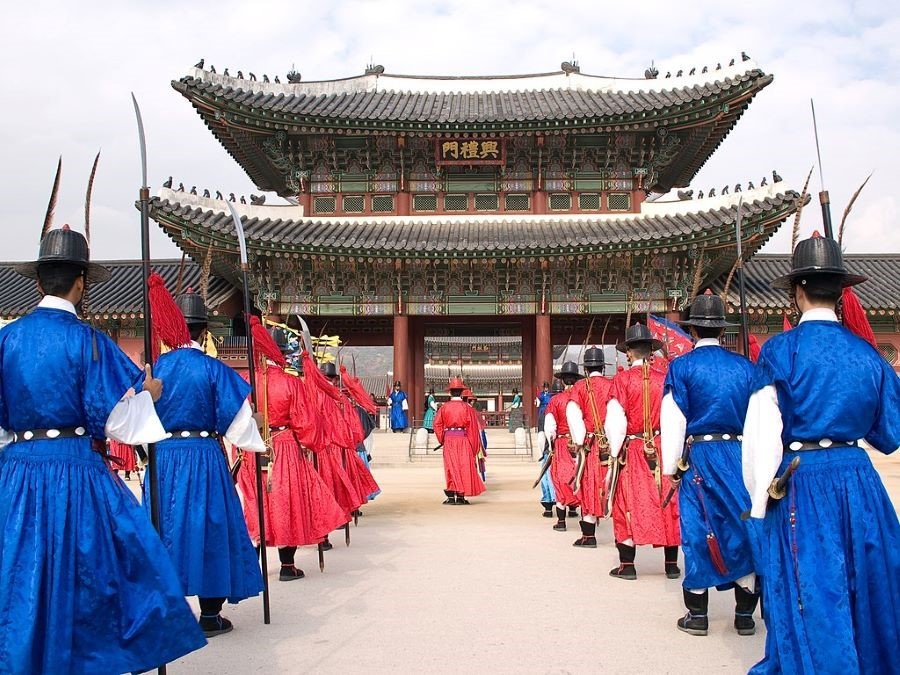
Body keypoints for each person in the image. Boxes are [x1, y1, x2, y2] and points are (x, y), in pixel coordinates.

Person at [0, 223, 205, 672]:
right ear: (81, 283)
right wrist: (148, 393)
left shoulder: (6, 339)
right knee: (104, 568)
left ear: (37, 282)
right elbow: (117, 423)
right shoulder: (89, 341)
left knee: (17, 571)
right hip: (74, 471)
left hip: (14, 472)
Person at [742, 233, 900, 673]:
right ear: (841, 291)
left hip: (802, 479)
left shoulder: (780, 350)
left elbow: (762, 437)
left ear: (796, 291)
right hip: (860, 480)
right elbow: (889, 434)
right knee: (867, 583)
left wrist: (758, 504)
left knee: (814, 587)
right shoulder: (868, 356)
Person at [146, 278, 265, 637]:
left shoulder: (155, 368)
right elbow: (239, 425)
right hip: (203, 456)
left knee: (162, 525)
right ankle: (210, 615)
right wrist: (258, 440)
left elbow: (134, 420)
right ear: (203, 330)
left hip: (163, 456)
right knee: (211, 525)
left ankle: (163, 611)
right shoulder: (214, 369)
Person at [660, 291, 759, 636]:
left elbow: (672, 421)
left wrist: (671, 468)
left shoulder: (681, 367)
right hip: (740, 453)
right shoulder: (746, 368)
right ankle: (745, 615)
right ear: (721, 329)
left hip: (699, 457)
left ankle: (698, 615)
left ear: (693, 330)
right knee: (741, 526)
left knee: (699, 529)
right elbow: (760, 420)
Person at [236, 319, 347, 580]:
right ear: (283, 354)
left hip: (252, 446)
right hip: (284, 446)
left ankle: (252, 566)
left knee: (256, 503)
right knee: (285, 501)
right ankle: (287, 566)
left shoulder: (245, 381)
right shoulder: (290, 383)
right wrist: (315, 442)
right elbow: (305, 423)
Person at [604, 323, 681, 580]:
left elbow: (616, 420)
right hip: (662, 446)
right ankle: (671, 564)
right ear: (650, 351)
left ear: (628, 352)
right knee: (667, 500)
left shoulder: (622, 380)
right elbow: (673, 418)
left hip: (635, 448)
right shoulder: (664, 379)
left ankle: (628, 565)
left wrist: (615, 451)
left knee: (627, 501)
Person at [566, 347, 613, 547]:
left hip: (591, 443)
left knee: (589, 483)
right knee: (611, 482)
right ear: (603, 366)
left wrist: (579, 441)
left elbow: (574, 416)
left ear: (585, 369)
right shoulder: (612, 385)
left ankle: (589, 535)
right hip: (611, 443)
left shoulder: (579, 387)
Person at [433, 377, 486, 504]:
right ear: (461, 392)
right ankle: (461, 497)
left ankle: (451, 496)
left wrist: (442, 439)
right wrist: (473, 446)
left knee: (450, 467)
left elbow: (437, 424)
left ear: (450, 392)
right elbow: (472, 427)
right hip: (463, 440)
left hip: (449, 439)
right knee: (463, 466)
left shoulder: (444, 407)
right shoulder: (467, 408)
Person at [544, 363, 583, 531]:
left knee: (560, 478)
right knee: (581, 476)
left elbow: (549, 426)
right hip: (581, 442)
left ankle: (561, 521)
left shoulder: (555, 400)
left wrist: (551, 441)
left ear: (562, 381)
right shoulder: (583, 398)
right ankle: (585, 518)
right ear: (576, 379)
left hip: (561, 442)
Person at [537, 380, 563, 518]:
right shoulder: (570, 404)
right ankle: (571, 506)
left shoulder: (546, 410)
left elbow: (542, 434)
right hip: (567, 447)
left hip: (551, 447)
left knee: (547, 477)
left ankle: (548, 505)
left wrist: (543, 450)